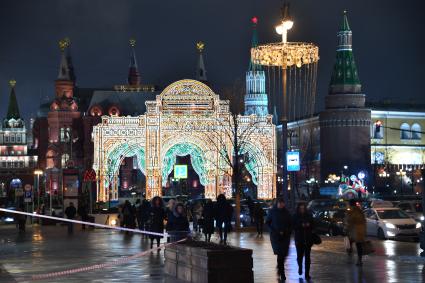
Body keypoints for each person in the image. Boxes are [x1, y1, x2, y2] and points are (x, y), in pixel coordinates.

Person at [266, 198, 292, 281]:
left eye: (282, 203)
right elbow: (268, 222)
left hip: (285, 236)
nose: (281, 205)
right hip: (276, 236)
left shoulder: (286, 213)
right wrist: (273, 231)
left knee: (284, 254)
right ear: (277, 204)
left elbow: (290, 223)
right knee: (280, 254)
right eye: (280, 203)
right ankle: (282, 273)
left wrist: (287, 231)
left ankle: (279, 269)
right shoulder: (272, 212)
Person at [293, 202, 314, 280]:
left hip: (308, 239)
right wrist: (300, 225)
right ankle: (300, 267)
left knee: (307, 257)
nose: (302, 210)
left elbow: (313, 224)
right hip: (299, 239)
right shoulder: (295, 216)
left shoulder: (309, 215)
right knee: (299, 256)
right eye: (301, 208)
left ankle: (307, 274)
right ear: (298, 209)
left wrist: (309, 225)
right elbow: (293, 226)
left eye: (303, 208)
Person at [345, 199, 366, 266]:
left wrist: (346, 228)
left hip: (354, 230)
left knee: (353, 242)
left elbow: (349, 221)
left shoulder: (351, 211)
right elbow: (364, 220)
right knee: (358, 245)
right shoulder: (360, 210)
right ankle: (359, 260)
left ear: (350, 204)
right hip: (360, 230)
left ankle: (350, 251)